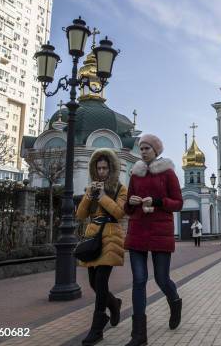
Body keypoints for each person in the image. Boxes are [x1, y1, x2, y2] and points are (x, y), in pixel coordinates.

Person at [123, 134, 184, 346]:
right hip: (138, 230)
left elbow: (178, 203)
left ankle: (174, 301)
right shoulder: (135, 174)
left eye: (147, 148)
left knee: (161, 278)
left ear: (156, 151)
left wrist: (157, 201)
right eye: (141, 148)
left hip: (160, 231)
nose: (143, 151)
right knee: (139, 280)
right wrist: (130, 202)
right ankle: (139, 335)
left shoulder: (168, 173)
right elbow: (127, 207)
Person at [76, 148, 127, 346]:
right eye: (99, 168)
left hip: (111, 237)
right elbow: (80, 215)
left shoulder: (120, 188)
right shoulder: (92, 188)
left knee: (101, 280)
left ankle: (97, 329)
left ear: (112, 169)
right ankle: (114, 304)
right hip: (92, 238)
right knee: (93, 283)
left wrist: (103, 196)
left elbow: (119, 213)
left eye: (105, 168)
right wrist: (90, 195)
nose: (102, 172)